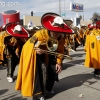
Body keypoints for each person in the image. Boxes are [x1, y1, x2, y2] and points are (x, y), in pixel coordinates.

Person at [15, 12, 74, 100]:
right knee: (41, 71)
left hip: (50, 54)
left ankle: (47, 89)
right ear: (51, 29)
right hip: (38, 55)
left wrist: (59, 62)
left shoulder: (60, 38)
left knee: (53, 70)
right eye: (55, 32)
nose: (57, 34)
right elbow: (28, 44)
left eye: (59, 32)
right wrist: (35, 49)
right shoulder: (40, 34)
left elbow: (60, 51)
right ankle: (39, 93)